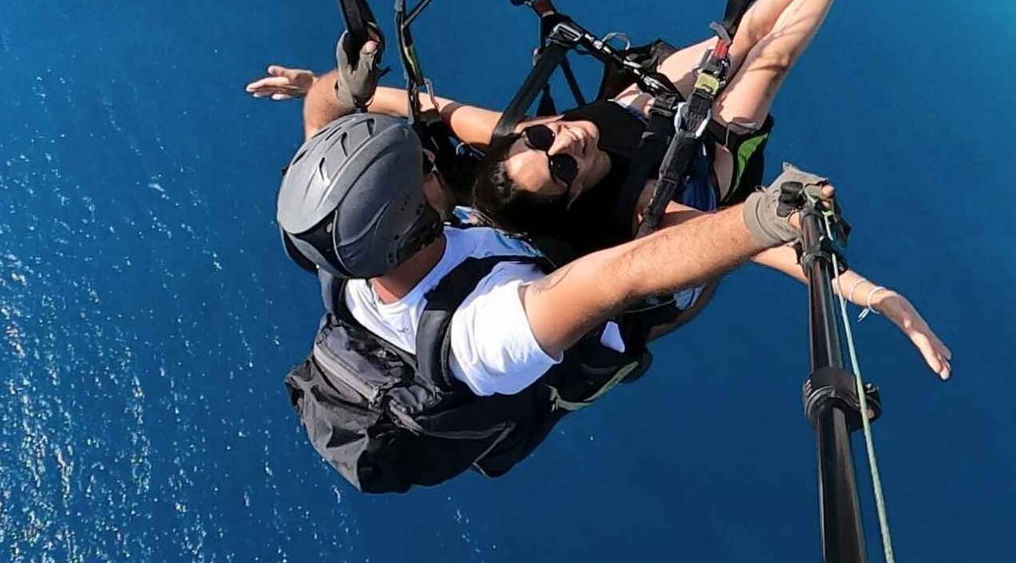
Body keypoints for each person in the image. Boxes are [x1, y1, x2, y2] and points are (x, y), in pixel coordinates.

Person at [253, 0, 950, 378]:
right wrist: (860, 287)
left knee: (727, 43)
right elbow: (646, 266)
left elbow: (431, 110)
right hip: (681, 197)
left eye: (539, 139)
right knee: (763, 71)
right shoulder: (499, 323)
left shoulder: (358, 238)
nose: (558, 141)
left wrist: (331, 90)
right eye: (557, 163)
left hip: (626, 146)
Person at [274, 67, 851, 490]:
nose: (433, 161)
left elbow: (323, 128)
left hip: (530, 245)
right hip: (603, 305)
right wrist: (761, 220)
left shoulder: (350, 247)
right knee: (688, 223)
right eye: (425, 169)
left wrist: (337, 87)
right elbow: (619, 277)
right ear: (410, 221)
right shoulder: (483, 335)